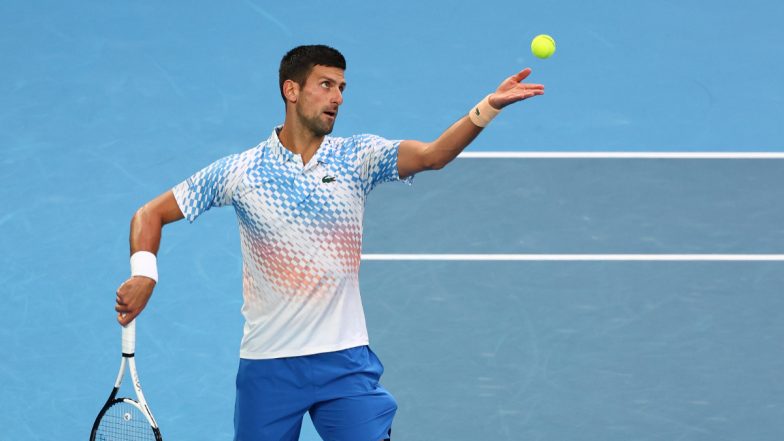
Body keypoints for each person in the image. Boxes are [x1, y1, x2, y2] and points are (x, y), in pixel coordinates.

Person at [114, 44, 544, 441]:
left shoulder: (357, 157)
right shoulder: (241, 172)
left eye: (342, 87)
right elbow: (149, 214)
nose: (337, 97)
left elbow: (433, 155)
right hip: (269, 365)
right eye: (326, 85)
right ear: (292, 90)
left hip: (344, 362)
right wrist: (144, 274)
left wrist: (487, 107)